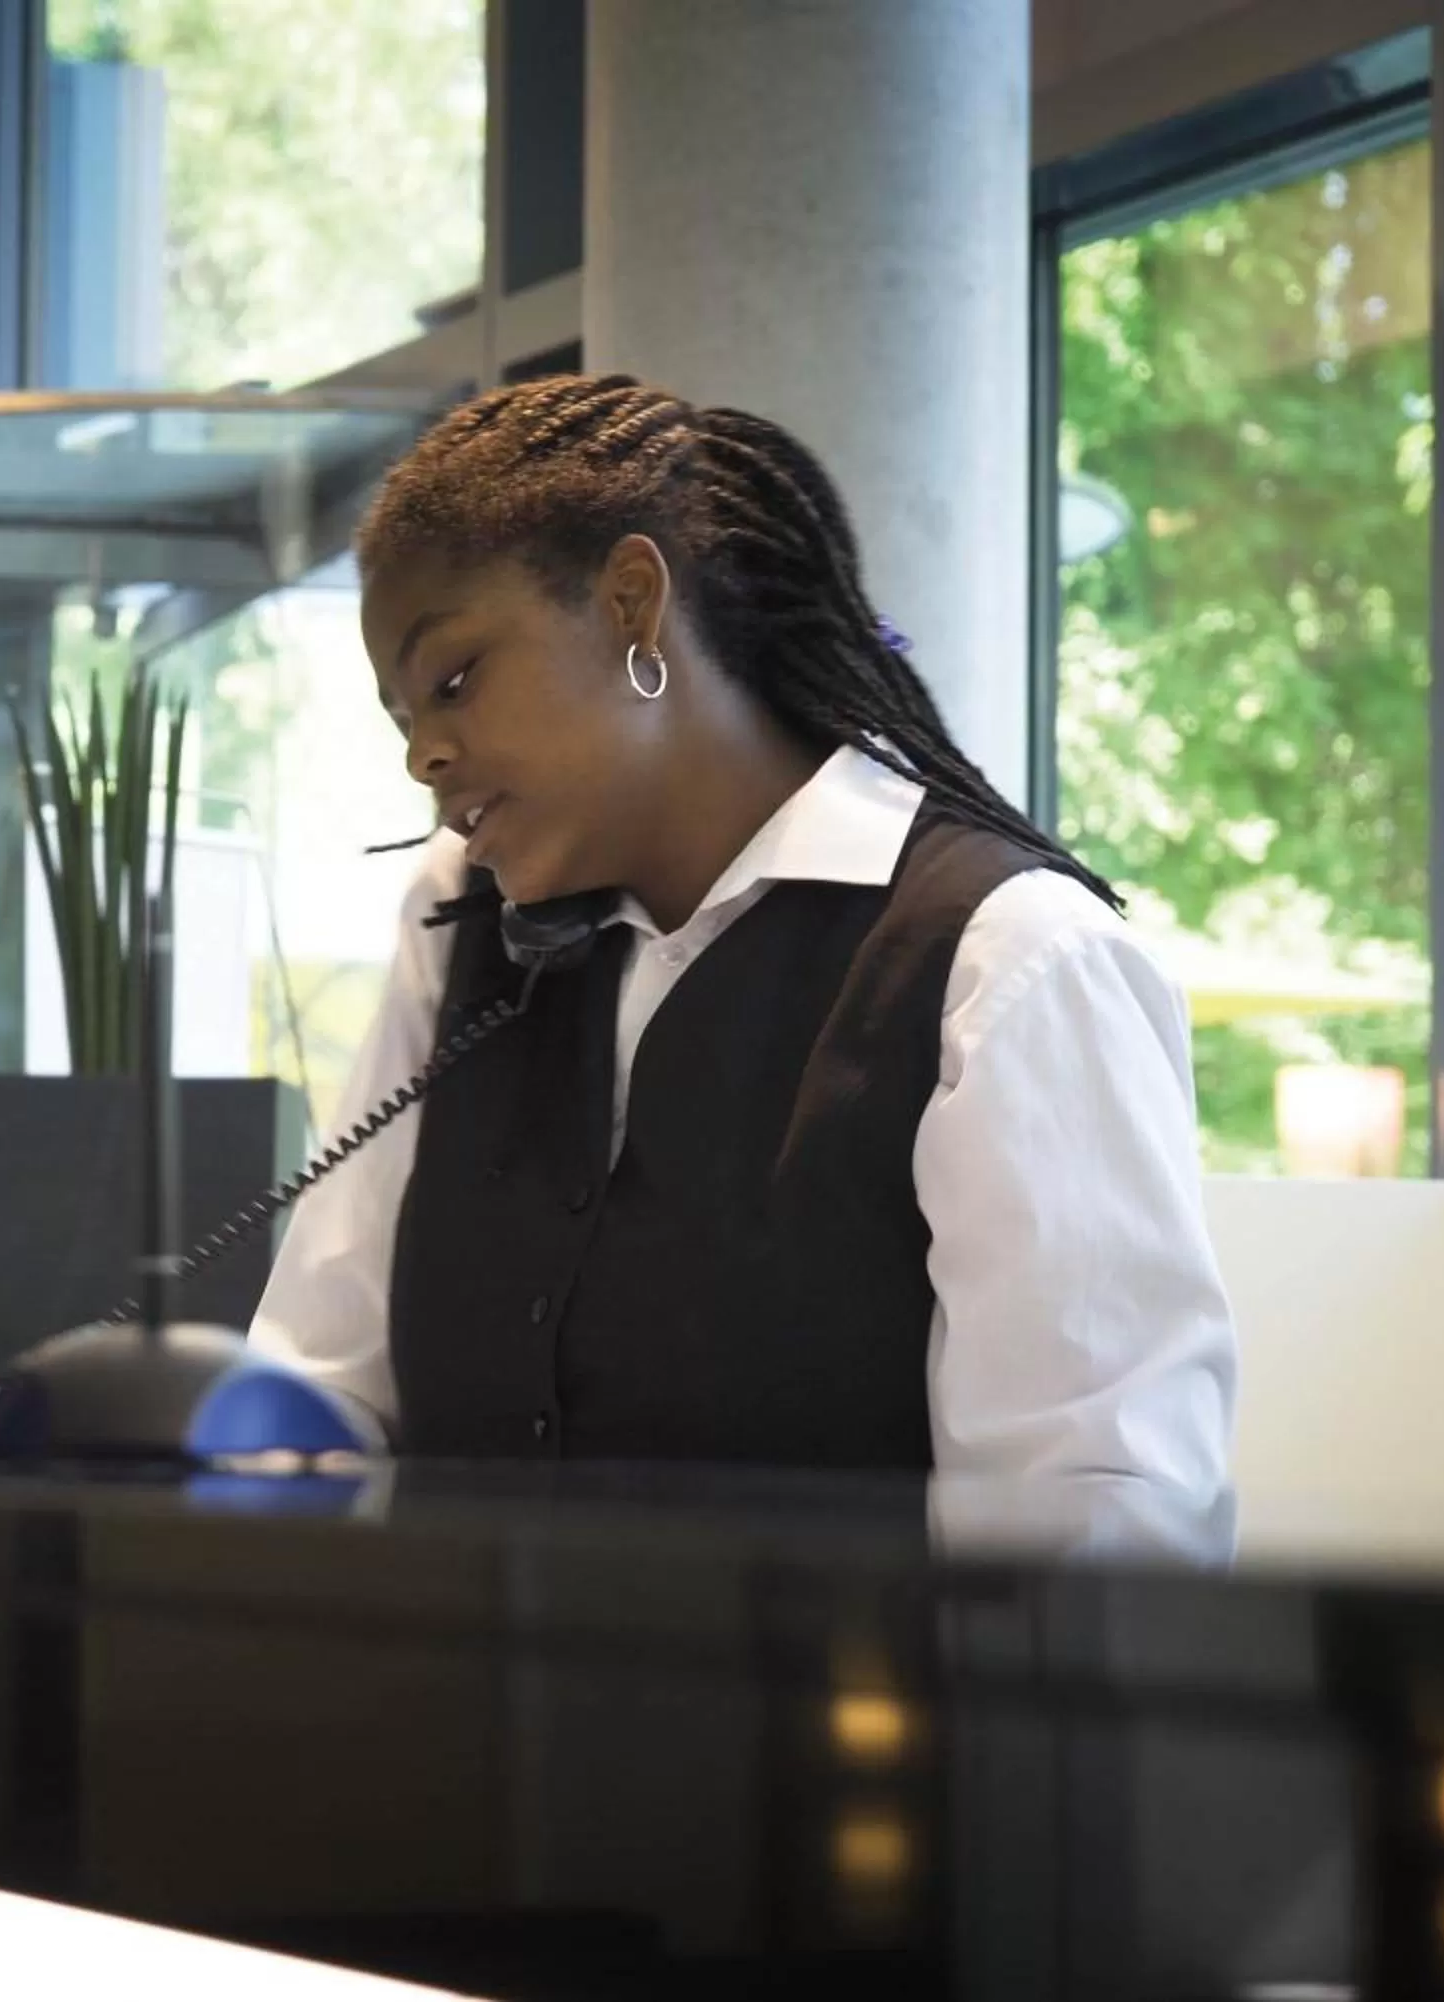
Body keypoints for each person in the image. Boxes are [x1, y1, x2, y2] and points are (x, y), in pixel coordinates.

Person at [249, 373, 1234, 1492]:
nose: (422, 754)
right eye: (404, 715)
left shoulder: (1009, 960)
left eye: (456, 680)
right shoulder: (461, 921)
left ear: (631, 602)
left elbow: (1089, 1523)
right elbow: (322, 1377)